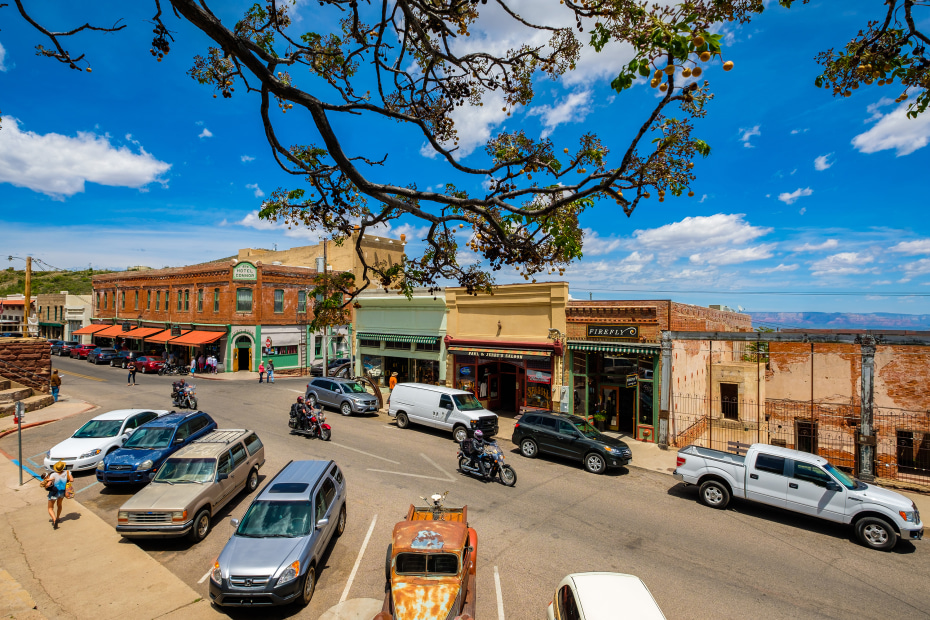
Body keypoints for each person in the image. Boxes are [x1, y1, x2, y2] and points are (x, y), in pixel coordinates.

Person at [44, 461, 73, 528]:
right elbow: (71, 480)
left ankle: (54, 519)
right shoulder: (67, 472)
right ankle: (57, 518)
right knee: (59, 505)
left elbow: (48, 484)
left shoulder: (53, 475)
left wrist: (45, 485)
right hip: (62, 492)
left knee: (50, 508)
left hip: (54, 493)